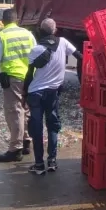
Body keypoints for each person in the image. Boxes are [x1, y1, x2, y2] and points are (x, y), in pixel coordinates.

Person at [23, 18, 81, 174]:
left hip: (35, 93)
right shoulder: (63, 42)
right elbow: (79, 55)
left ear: (40, 31)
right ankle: (52, 161)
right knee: (53, 125)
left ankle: (39, 164)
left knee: (36, 128)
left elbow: (29, 75)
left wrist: (24, 95)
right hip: (53, 93)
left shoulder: (36, 49)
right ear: (55, 30)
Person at [0, 8, 36, 163]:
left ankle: (15, 149)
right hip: (29, 78)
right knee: (25, 110)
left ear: (3, 21)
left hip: (13, 78)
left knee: (15, 112)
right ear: (16, 20)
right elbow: (36, 54)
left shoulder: (3, 35)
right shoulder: (28, 34)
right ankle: (27, 141)